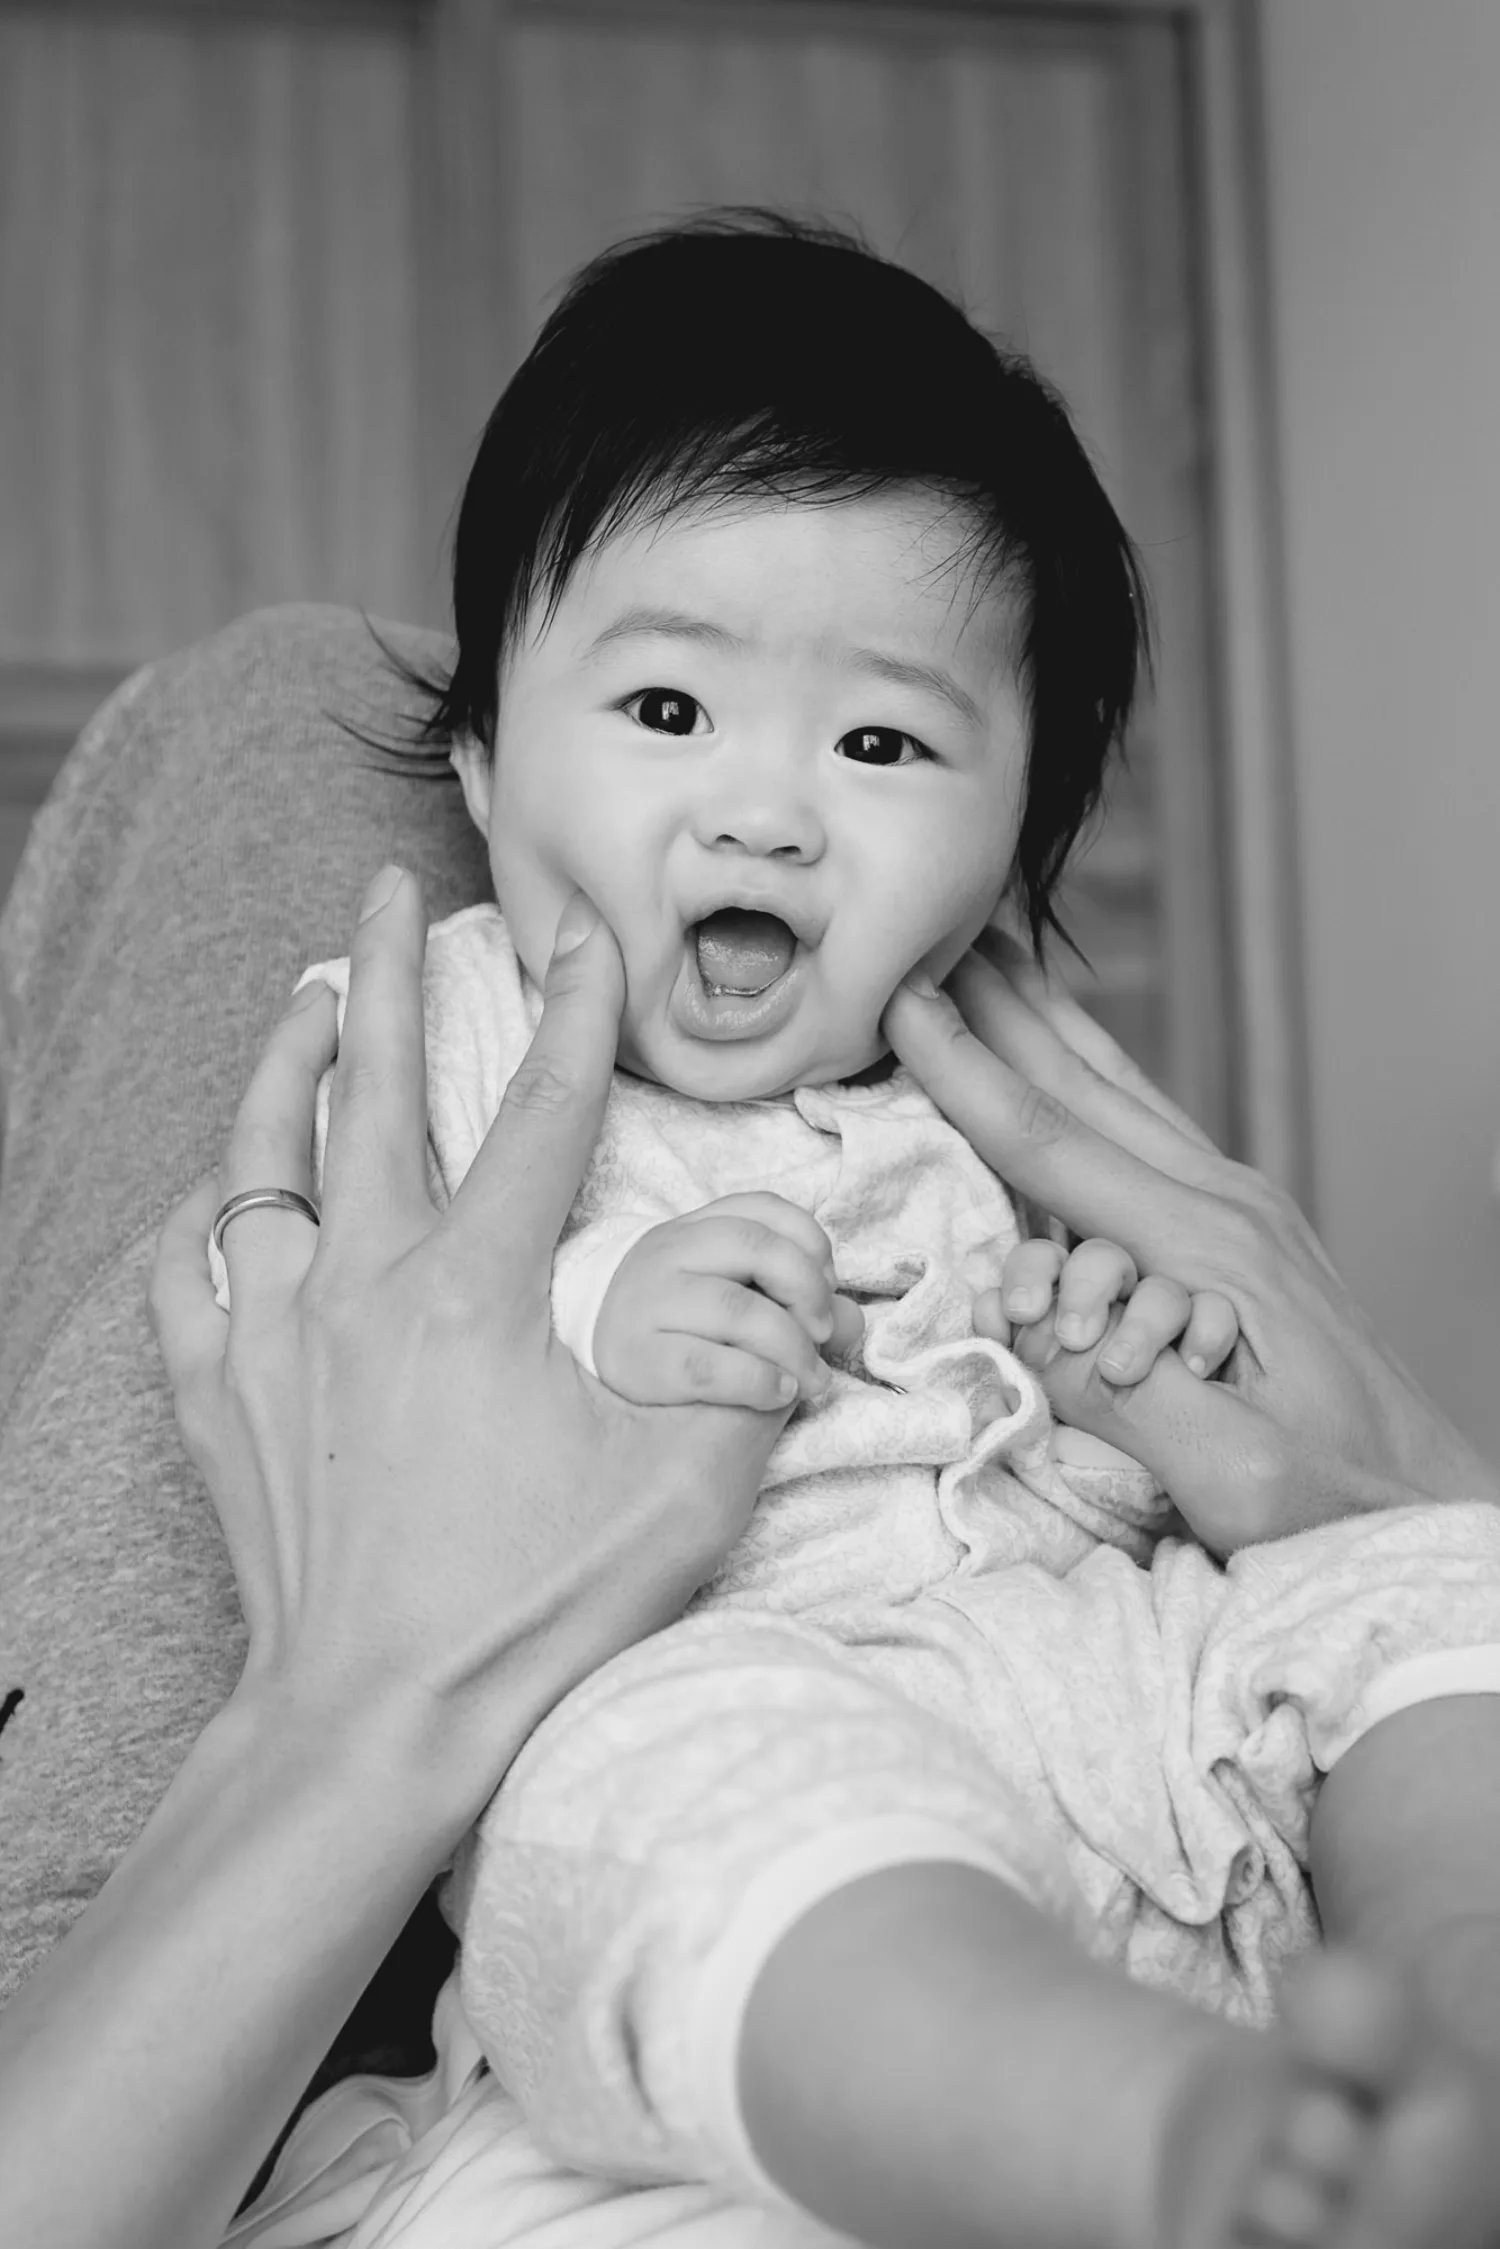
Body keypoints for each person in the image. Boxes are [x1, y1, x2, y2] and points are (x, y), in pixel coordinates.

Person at [0, 214, 1493, 2249]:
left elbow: (1147, 1443)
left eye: (882, 745)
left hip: (1115, 1700)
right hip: (729, 1695)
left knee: (1419, 1585)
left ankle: (1449, 2055)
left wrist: (1116, 1356)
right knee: (681, 1778)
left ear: (1000, 863)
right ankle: (1169, 2144)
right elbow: (375, 1317)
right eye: (668, 711)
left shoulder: (1000, 1095)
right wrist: (610, 1309)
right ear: (482, 759)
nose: (769, 809)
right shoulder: (453, 1013)